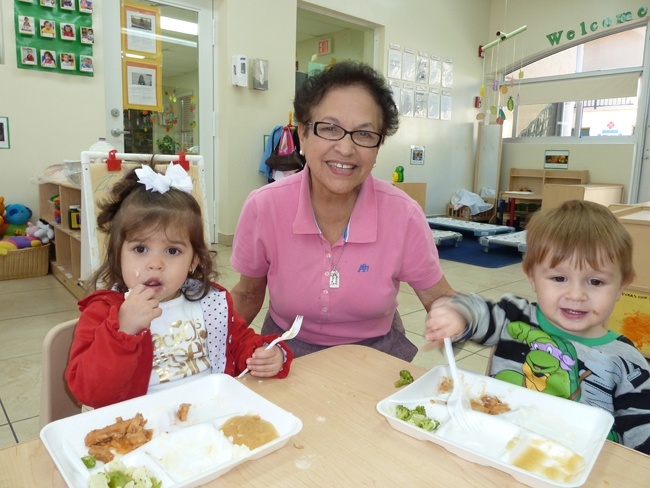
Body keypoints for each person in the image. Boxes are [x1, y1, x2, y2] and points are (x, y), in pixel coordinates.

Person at [230, 61, 454, 361]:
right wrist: (207, 351)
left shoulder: (404, 215)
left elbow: (440, 298)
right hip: (286, 352)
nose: (346, 150)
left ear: (378, 147)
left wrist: (461, 317)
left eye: (364, 134)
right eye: (330, 128)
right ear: (303, 135)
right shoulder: (264, 206)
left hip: (377, 353)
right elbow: (247, 294)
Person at [424, 200, 650, 454]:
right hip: (493, 446)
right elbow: (480, 314)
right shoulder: (515, 317)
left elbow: (641, 434)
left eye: (595, 281)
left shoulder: (627, 362)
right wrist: (458, 314)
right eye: (559, 278)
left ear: (622, 284)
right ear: (532, 276)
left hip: (571, 466)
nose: (576, 294)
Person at [66, 161, 293, 409]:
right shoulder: (103, 313)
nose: (155, 263)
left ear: (193, 260)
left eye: (172, 250)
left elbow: (239, 344)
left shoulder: (210, 303)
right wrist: (123, 330)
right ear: (117, 254)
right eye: (140, 249)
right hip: (141, 428)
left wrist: (267, 353)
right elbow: (89, 393)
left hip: (207, 417)